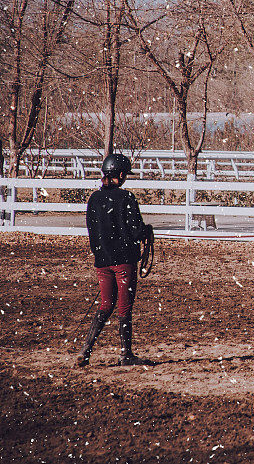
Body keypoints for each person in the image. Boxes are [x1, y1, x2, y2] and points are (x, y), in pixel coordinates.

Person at [77, 154, 152, 367]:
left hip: (102, 261)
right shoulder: (126, 198)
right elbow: (136, 231)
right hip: (123, 261)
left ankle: (86, 349)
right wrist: (146, 231)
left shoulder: (94, 199)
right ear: (120, 175)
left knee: (106, 304)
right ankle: (126, 353)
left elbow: (93, 230)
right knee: (124, 307)